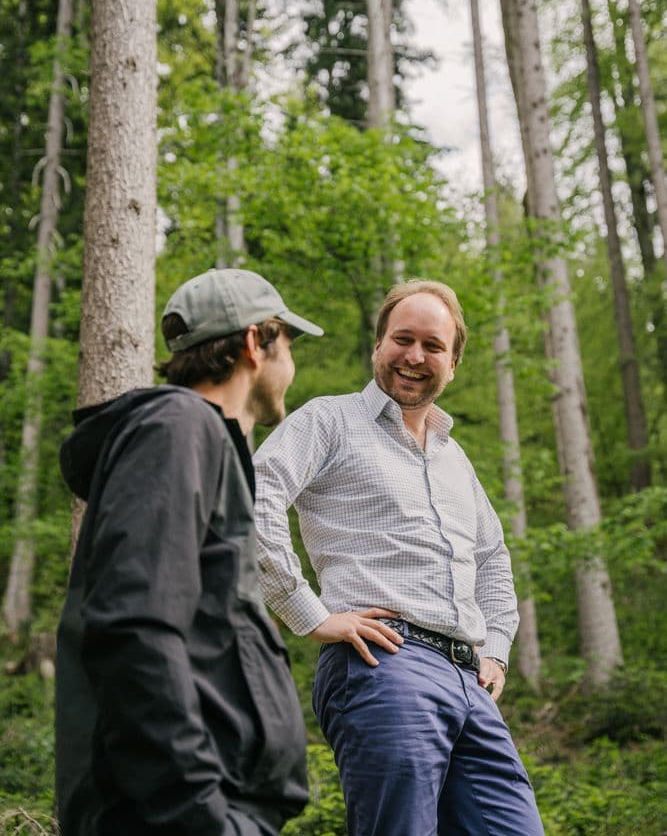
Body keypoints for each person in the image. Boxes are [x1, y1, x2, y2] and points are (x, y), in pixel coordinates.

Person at [253, 279, 544, 836]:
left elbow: (492, 558)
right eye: (402, 339)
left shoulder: (455, 458)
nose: (415, 356)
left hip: (469, 678)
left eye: (433, 346)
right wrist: (308, 612)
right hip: (385, 664)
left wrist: (498, 652)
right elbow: (256, 494)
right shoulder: (328, 421)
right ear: (378, 347)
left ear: (453, 364)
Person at [55, 267, 323, 836]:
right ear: (257, 341)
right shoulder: (179, 428)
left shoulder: (196, 443)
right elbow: (135, 627)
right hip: (173, 815)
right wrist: (198, 811)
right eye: (289, 343)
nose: (292, 365)